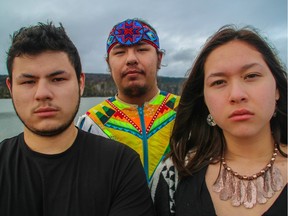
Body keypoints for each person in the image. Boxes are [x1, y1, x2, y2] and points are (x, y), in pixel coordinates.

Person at [0, 22, 155, 216]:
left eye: (57, 79)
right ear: (11, 88)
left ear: (81, 83)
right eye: (28, 81)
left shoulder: (121, 165)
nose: (42, 93)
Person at [150, 25, 287, 216]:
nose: (237, 95)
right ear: (204, 99)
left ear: (277, 89)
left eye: (251, 76)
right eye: (219, 82)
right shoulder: (175, 173)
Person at [77, 18, 180, 183]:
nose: (131, 59)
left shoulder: (187, 113)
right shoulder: (91, 125)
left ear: (159, 58)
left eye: (141, 49)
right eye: (120, 52)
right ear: (108, 63)